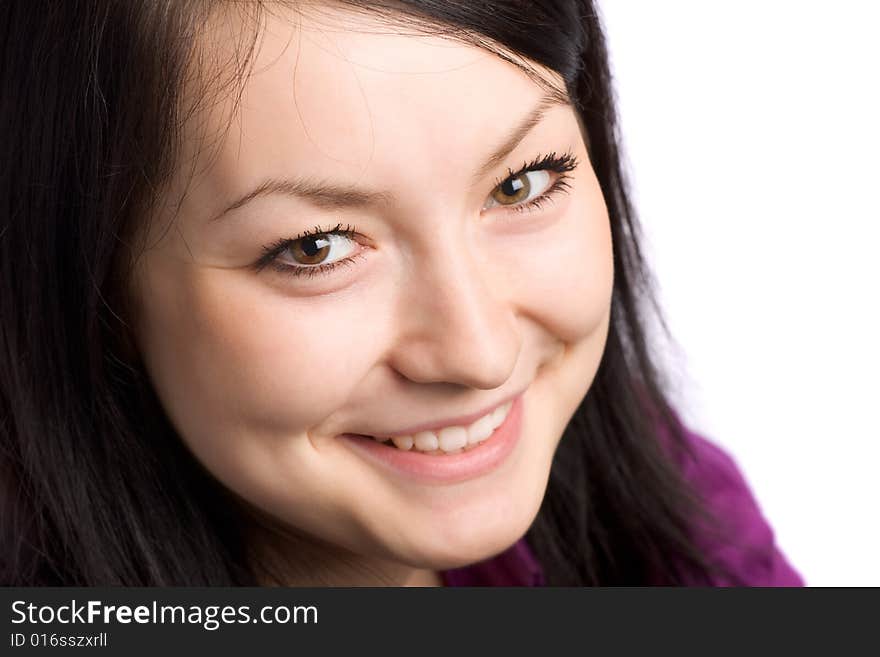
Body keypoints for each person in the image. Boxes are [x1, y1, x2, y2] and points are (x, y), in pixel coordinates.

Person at [0, 0, 803, 586]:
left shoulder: (681, 525)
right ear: (94, 285)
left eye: (522, 184)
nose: (478, 354)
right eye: (316, 248)